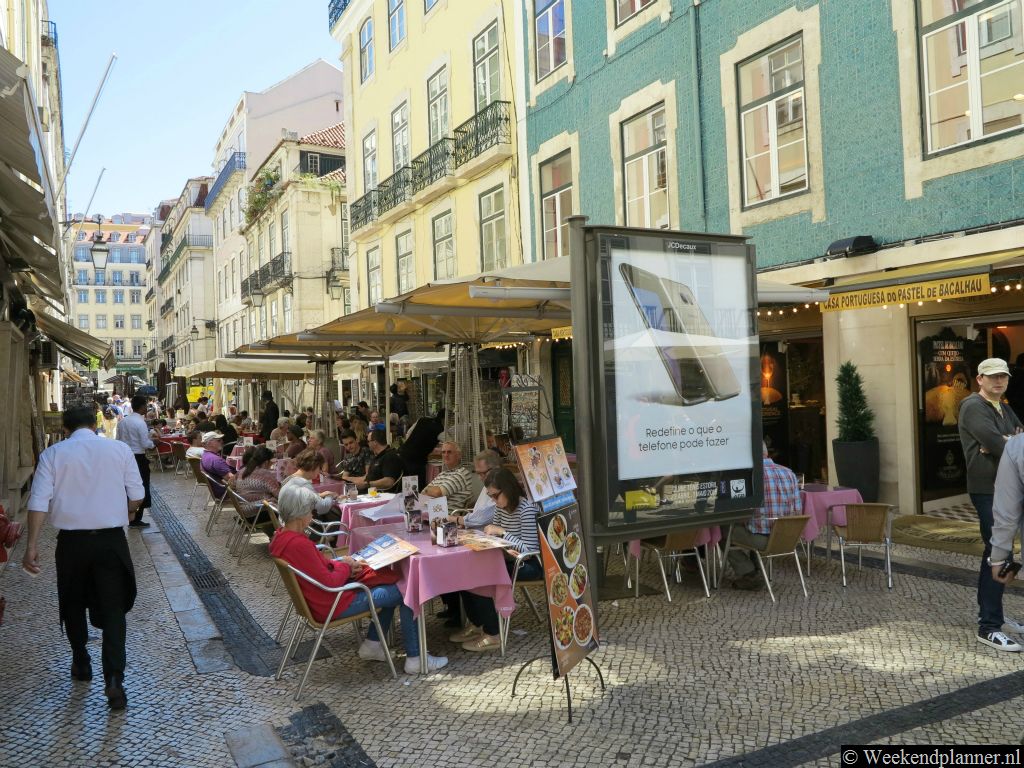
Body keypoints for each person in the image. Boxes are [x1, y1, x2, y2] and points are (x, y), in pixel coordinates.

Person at [23, 406, 145, 711]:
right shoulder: (119, 450)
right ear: (95, 424)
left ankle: (81, 660)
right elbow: (138, 494)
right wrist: (128, 511)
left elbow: (38, 502)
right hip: (110, 542)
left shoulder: (53, 455)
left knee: (73, 601)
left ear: (65, 428)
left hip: (72, 543)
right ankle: (114, 679)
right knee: (114, 609)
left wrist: (32, 545)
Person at [268, 487, 447, 674]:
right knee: (406, 591)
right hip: (333, 603)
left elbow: (319, 570)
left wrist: (342, 564)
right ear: (299, 513)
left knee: (389, 587)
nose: (312, 514)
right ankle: (415, 658)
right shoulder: (299, 544)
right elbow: (330, 582)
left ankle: (373, 645)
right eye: (309, 510)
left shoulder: (282, 538)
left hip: (320, 600)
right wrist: (345, 566)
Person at [957, 357, 1024, 651]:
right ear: (980, 380)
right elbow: (1004, 445)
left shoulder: (1004, 407)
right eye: (993, 377)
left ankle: (992, 613)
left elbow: (1014, 444)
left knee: (999, 550)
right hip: (987, 489)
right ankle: (989, 626)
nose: (999, 381)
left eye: (1003, 377)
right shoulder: (973, 406)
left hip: (1007, 487)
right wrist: (1004, 442)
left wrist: (1004, 442)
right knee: (998, 549)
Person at [451, 468, 541, 652]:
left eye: (495, 496)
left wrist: (503, 534)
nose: (493, 500)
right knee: (463, 573)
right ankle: (478, 624)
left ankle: (493, 633)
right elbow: (499, 537)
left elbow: (531, 550)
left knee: (480, 578)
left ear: (508, 489)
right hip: (508, 558)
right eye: (491, 496)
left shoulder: (526, 509)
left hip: (530, 564)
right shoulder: (502, 508)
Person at [727, 443, 802, 590]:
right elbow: (797, 512)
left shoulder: (748, 475)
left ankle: (749, 574)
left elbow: (739, 513)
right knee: (754, 527)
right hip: (785, 539)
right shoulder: (790, 473)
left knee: (724, 531)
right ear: (767, 453)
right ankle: (758, 570)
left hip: (762, 540)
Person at [116, 395, 155, 528]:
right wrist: (153, 443)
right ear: (142, 407)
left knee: (127, 486)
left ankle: (128, 514)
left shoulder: (123, 422)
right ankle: (136, 518)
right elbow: (145, 443)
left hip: (125, 457)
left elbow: (118, 441)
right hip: (138, 457)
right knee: (141, 485)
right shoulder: (140, 423)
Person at [278, 449, 338, 519]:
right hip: (303, 527)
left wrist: (321, 495)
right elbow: (323, 508)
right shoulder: (303, 484)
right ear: (314, 467)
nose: (320, 471)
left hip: (286, 521)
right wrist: (330, 495)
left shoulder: (288, 479)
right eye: (320, 468)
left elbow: (302, 497)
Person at [422, 442, 477, 509]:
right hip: (432, 511)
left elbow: (437, 493)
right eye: (443, 452)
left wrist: (430, 491)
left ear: (459, 455)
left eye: (449, 452)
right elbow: (422, 493)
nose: (446, 455)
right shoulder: (442, 473)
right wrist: (431, 491)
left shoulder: (462, 473)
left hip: (447, 516)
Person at [399, 410, 445, 487]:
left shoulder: (423, 419)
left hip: (404, 453)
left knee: (407, 483)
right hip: (417, 459)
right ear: (444, 419)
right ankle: (416, 498)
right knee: (417, 485)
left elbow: (408, 434)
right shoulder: (440, 429)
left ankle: (408, 497)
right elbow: (450, 443)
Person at [199, 431, 235, 499]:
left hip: (219, 491)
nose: (222, 441)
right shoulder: (215, 460)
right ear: (210, 443)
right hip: (227, 492)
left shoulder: (205, 455)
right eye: (218, 440)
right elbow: (231, 479)